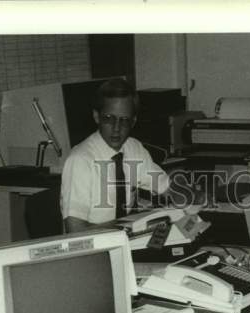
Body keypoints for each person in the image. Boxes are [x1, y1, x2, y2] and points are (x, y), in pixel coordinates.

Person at [60, 78, 170, 232]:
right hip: (93, 242)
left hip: (125, 236)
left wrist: (193, 196)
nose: (116, 128)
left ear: (133, 122)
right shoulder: (80, 160)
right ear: (96, 117)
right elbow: (75, 230)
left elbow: (166, 186)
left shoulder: (133, 148)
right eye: (109, 119)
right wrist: (125, 227)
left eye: (124, 120)